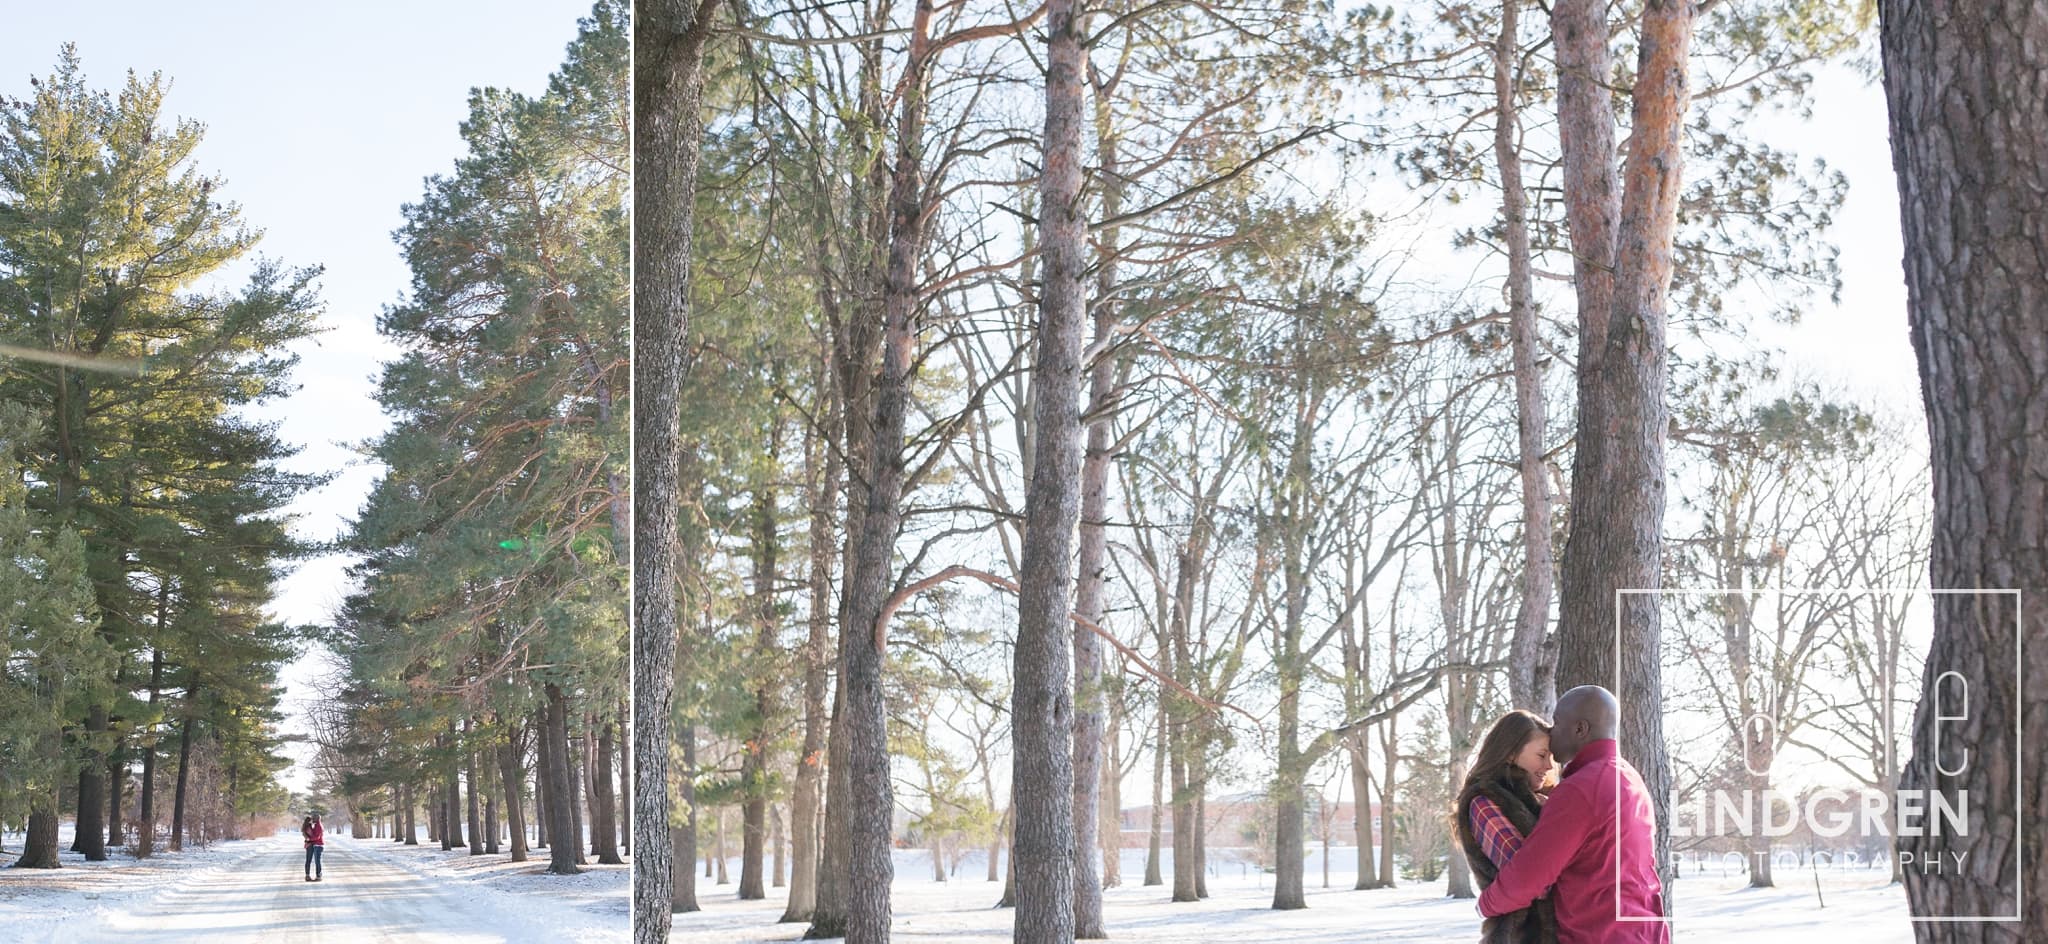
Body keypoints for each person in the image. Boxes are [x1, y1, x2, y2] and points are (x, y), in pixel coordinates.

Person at [1477, 685, 1669, 944]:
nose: (1551, 731)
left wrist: (1485, 906)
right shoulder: (1628, 776)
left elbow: (1529, 877)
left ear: (1580, 729)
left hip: (1601, 935)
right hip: (1644, 931)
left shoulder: (1581, 788)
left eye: (1557, 722)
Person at [1454, 709, 1561, 944]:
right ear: (1511, 753)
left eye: (1551, 757)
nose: (1548, 766)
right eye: (1541, 755)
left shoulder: (1537, 799)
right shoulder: (1484, 802)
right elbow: (1532, 880)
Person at [302, 813, 325, 882]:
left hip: (317, 845)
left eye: (313, 818)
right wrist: (307, 839)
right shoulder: (313, 826)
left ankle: (318, 876)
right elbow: (309, 835)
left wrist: (309, 839)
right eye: (311, 819)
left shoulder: (318, 826)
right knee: (313, 861)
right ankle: (312, 875)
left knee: (316, 861)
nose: (312, 820)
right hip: (312, 845)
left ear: (316, 819)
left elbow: (316, 836)